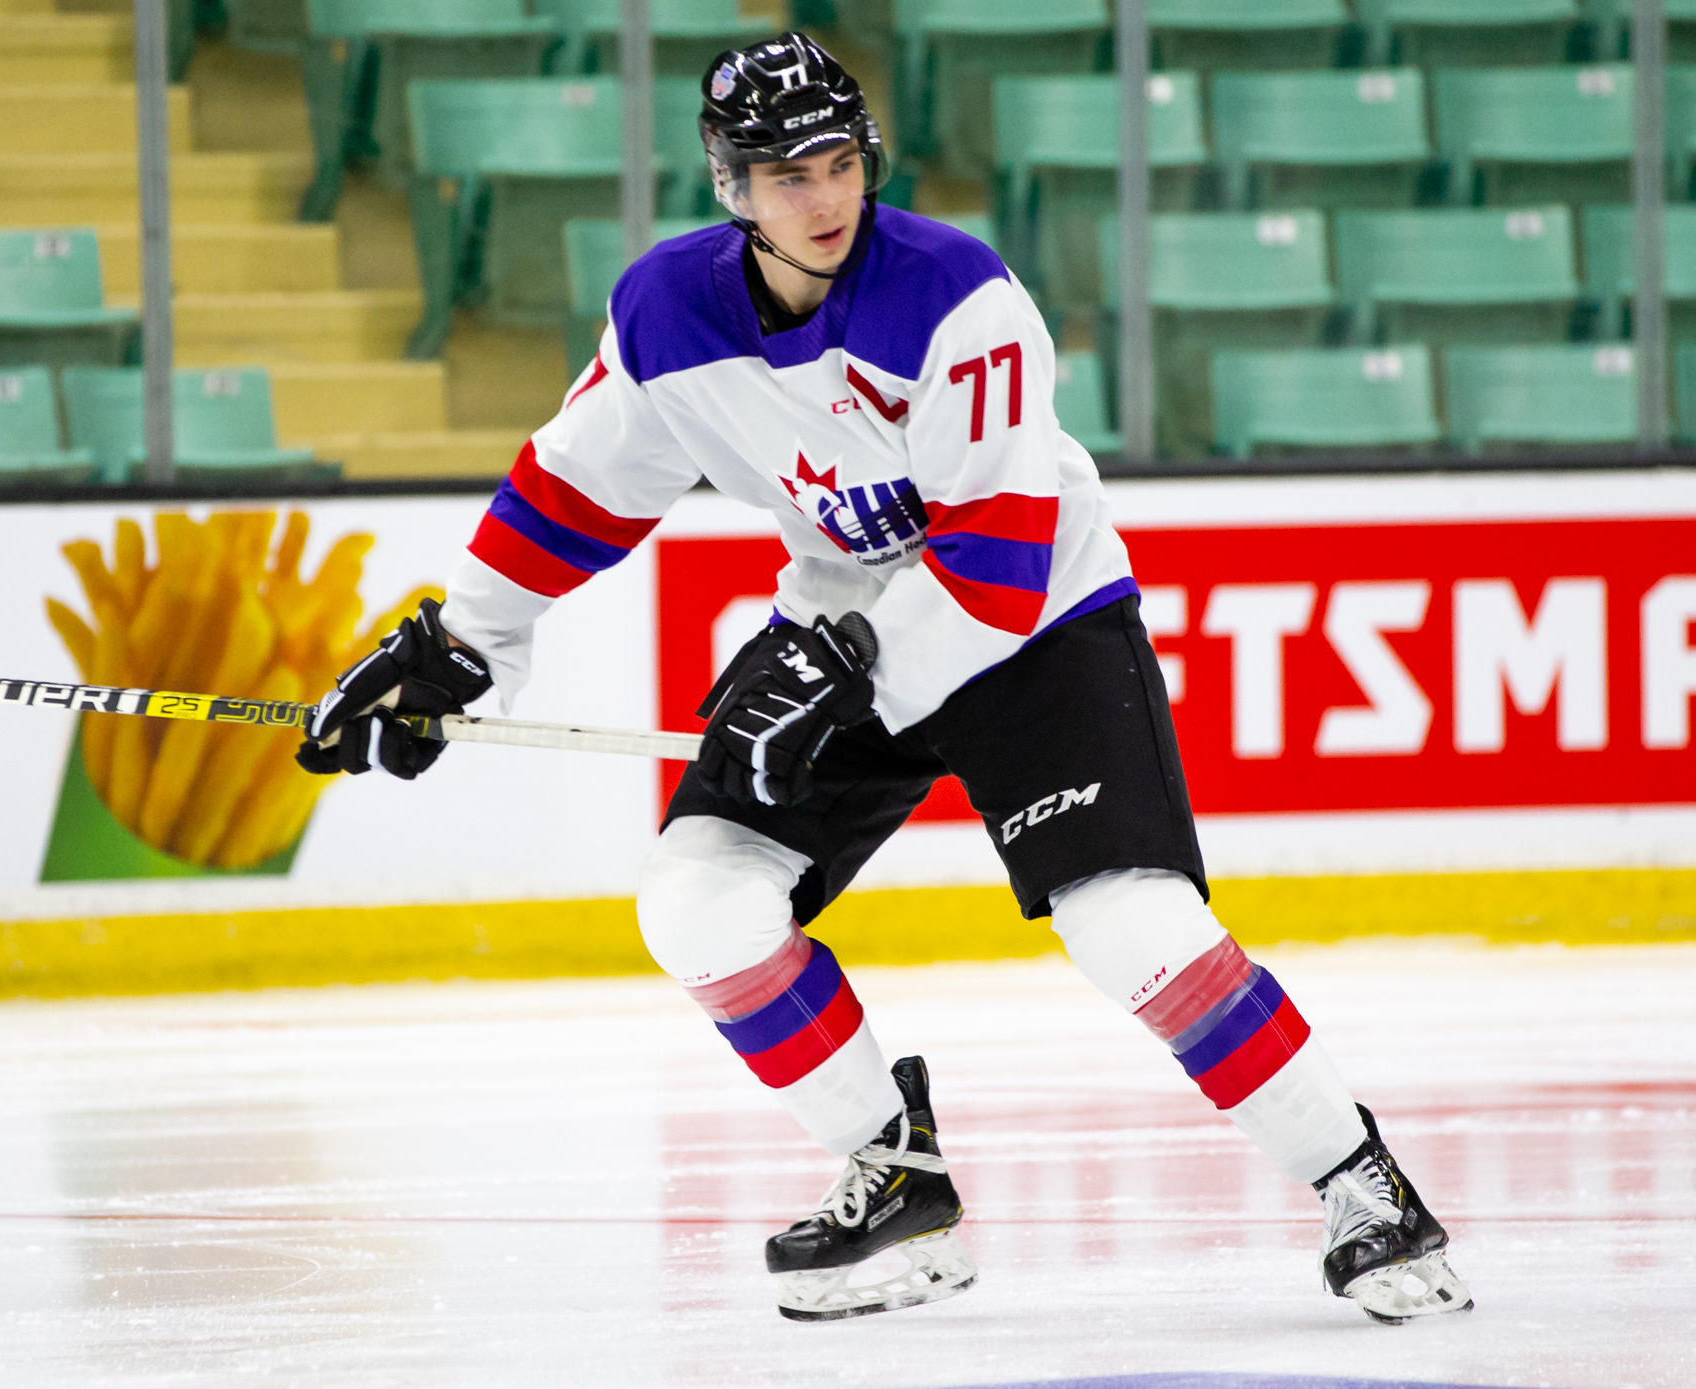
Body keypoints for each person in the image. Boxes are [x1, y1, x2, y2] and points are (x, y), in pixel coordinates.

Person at [297, 33, 1472, 1327]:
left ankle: (1364, 1183)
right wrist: (462, 642)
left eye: (840, 161)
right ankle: (896, 1172)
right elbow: (574, 488)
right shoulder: (664, 315)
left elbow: (1002, 561)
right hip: (847, 621)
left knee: (1127, 922)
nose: (823, 197)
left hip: (1037, 629)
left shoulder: (958, 295)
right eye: (785, 172)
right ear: (729, 184)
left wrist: (836, 673)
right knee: (699, 901)